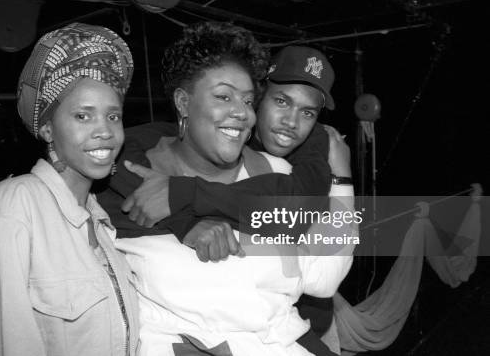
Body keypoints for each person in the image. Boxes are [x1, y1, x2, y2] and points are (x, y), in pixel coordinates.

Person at [108, 21, 355, 355]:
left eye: (308, 112)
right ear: (183, 102)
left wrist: (341, 181)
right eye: (280, 101)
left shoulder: (287, 169)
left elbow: (322, 274)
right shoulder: (135, 171)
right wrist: (184, 220)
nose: (292, 122)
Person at [0, 23, 139, 356]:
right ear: (47, 128)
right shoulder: (10, 210)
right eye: (82, 115)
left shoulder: (102, 222)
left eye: (113, 116)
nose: (104, 131)